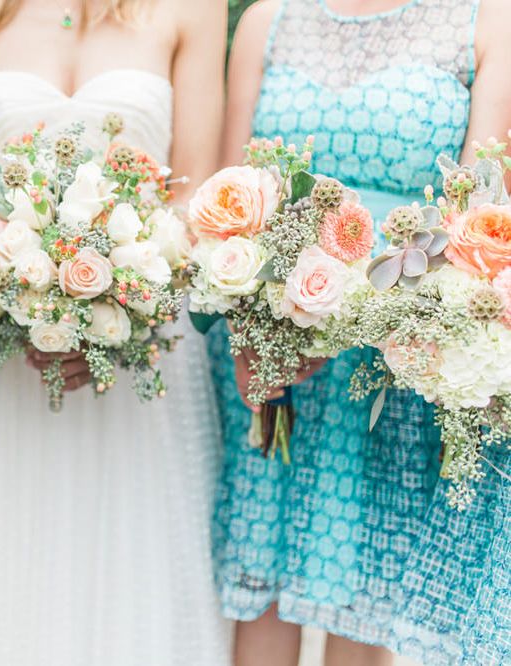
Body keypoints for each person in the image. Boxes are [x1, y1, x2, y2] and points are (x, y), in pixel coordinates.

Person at [0, 1, 231, 664]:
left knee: (137, 564)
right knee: (3, 564)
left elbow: (196, 194)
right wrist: (22, 292)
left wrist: (122, 302)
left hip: (143, 362)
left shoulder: (191, 9)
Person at [211, 1, 511, 665]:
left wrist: (373, 316)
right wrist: (252, 331)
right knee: (259, 586)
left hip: (396, 352)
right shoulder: (268, 19)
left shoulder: (485, 22)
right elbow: (227, 197)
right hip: (273, 345)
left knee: (363, 593)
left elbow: (476, 215)